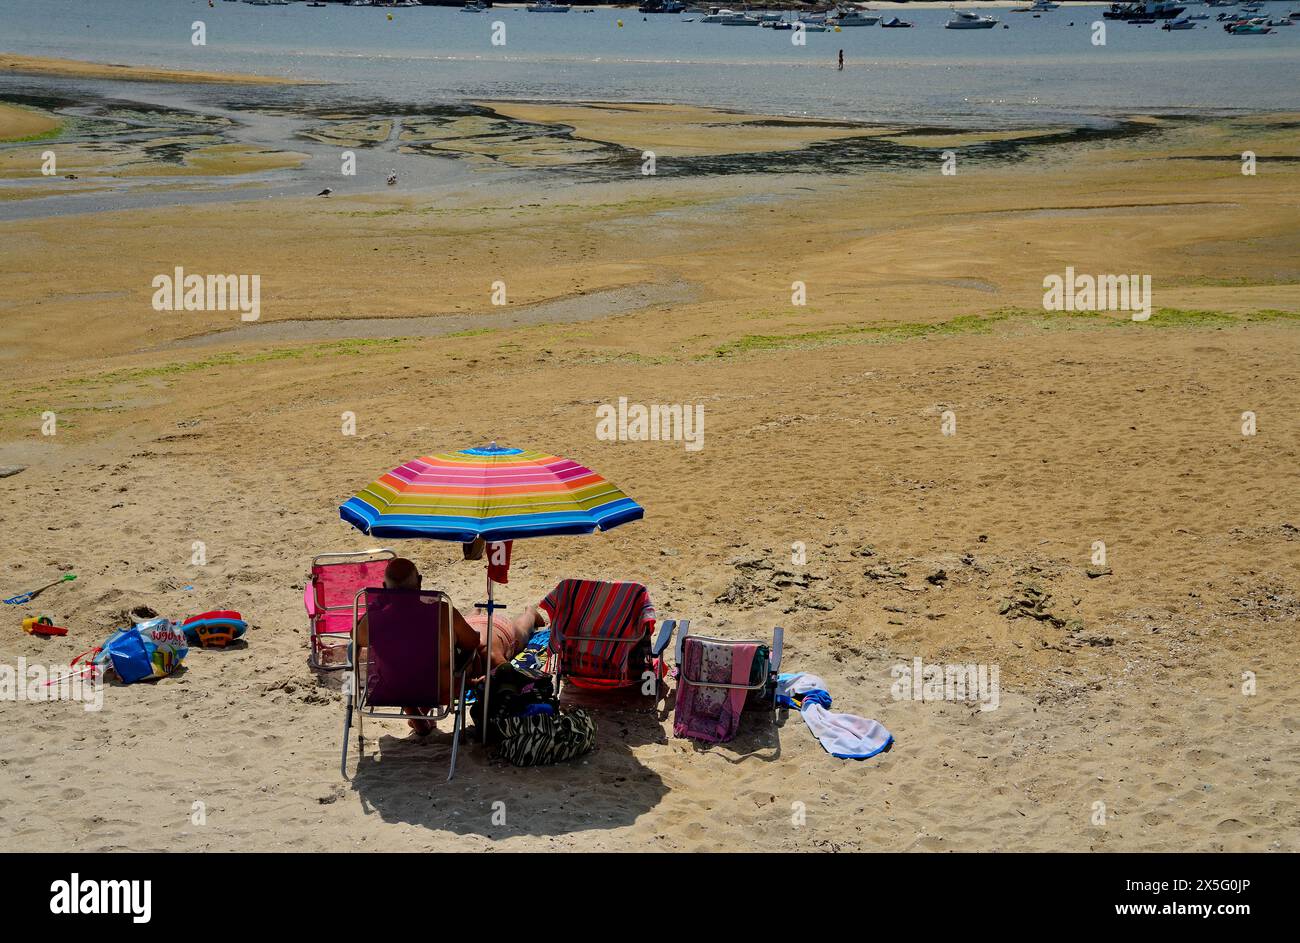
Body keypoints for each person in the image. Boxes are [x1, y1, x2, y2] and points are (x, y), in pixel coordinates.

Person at [354, 557, 541, 734]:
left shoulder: (373, 622)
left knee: (404, 668)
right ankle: (528, 613)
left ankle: (416, 713)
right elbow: (473, 642)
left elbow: (354, 637)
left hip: (394, 690)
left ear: (385, 588)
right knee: (474, 648)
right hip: (441, 691)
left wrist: (376, 607)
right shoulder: (443, 613)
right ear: (419, 582)